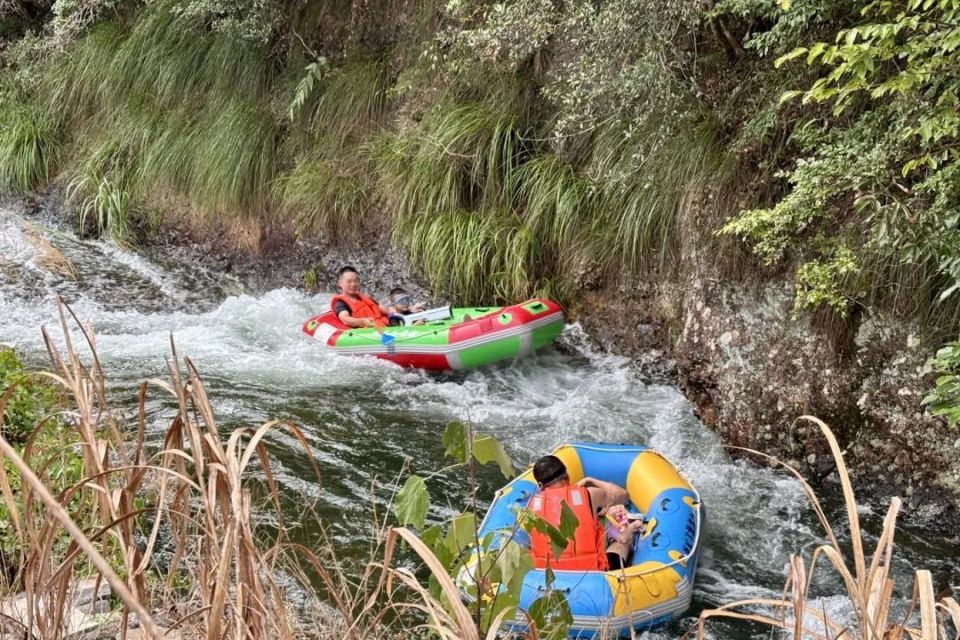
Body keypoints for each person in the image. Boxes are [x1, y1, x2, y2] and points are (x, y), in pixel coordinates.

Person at [527, 455, 643, 571]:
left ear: (540, 485)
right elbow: (622, 495)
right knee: (624, 542)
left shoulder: (531, 506)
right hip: (590, 575)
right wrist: (590, 480)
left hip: (546, 576)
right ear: (567, 475)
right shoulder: (589, 495)